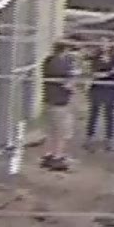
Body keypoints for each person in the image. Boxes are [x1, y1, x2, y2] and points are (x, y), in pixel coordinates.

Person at [38, 42, 78, 172]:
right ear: (65, 49)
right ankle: (57, 158)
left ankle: (47, 155)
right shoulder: (62, 64)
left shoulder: (48, 61)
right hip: (60, 102)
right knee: (61, 132)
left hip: (48, 99)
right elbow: (67, 84)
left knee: (50, 130)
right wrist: (73, 86)